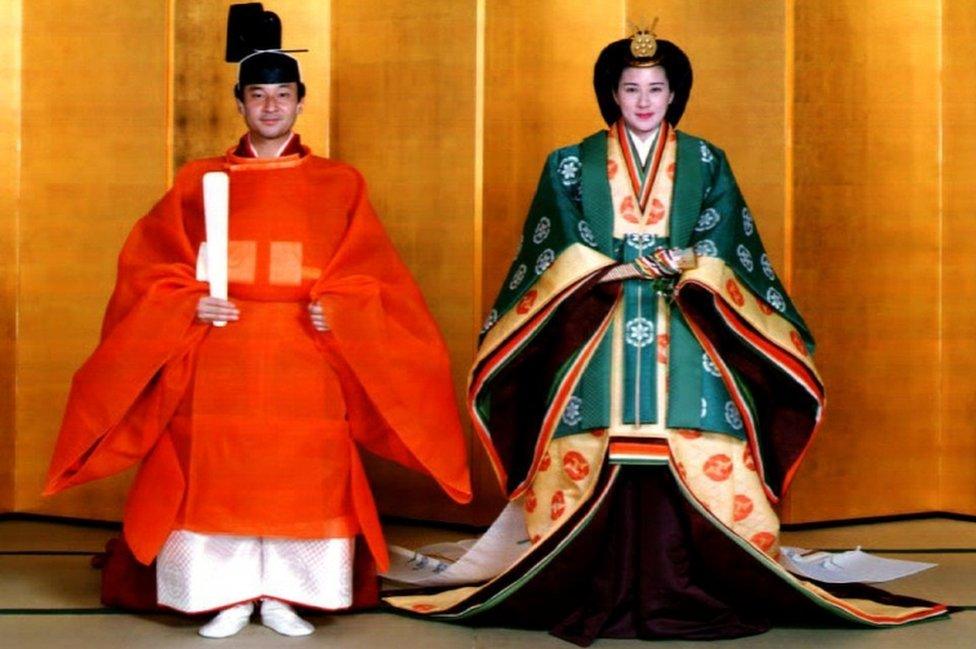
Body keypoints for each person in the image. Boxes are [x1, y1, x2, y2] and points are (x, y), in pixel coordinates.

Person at [385, 26, 946, 645]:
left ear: (674, 94)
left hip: (684, 325)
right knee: (587, 442)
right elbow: (551, 246)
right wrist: (617, 267)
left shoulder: (707, 160)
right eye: (631, 89)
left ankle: (695, 574)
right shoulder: (569, 163)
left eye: (657, 88)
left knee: (706, 441)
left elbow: (730, 237)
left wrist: (691, 261)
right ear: (612, 94)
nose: (645, 100)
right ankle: (583, 574)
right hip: (598, 329)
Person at [44, 15, 471, 639]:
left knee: (305, 476)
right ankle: (224, 595)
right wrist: (188, 302)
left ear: (300, 101)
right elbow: (149, 270)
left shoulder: (339, 183)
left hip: (306, 349)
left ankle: (289, 596)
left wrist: (342, 309)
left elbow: (373, 275)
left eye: (283, 94)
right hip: (222, 347)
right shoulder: (198, 182)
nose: (270, 106)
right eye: (257, 94)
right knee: (216, 472)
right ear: (239, 102)